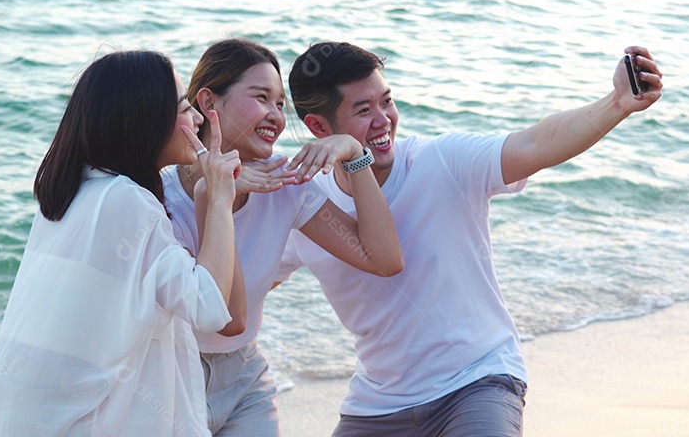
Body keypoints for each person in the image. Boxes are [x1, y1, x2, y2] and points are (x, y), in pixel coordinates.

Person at [277, 42, 664, 436]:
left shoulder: (442, 161)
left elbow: (535, 144)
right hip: (377, 405)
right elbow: (251, 282)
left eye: (387, 102)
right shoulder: (308, 207)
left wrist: (617, 102)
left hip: (477, 381)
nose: (384, 120)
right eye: (363, 110)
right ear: (319, 128)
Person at [0, 50, 242, 436]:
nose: (198, 119)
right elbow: (208, 307)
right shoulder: (126, 200)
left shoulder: (73, 192)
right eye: (186, 108)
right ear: (145, 117)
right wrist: (219, 197)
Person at [163, 38, 403, 436]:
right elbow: (225, 318)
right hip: (167, 378)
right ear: (208, 103)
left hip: (244, 379)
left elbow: (383, 259)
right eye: (261, 98)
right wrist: (220, 194)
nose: (276, 115)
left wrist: (354, 153)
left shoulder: (285, 182)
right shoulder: (160, 200)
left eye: (280, 104)